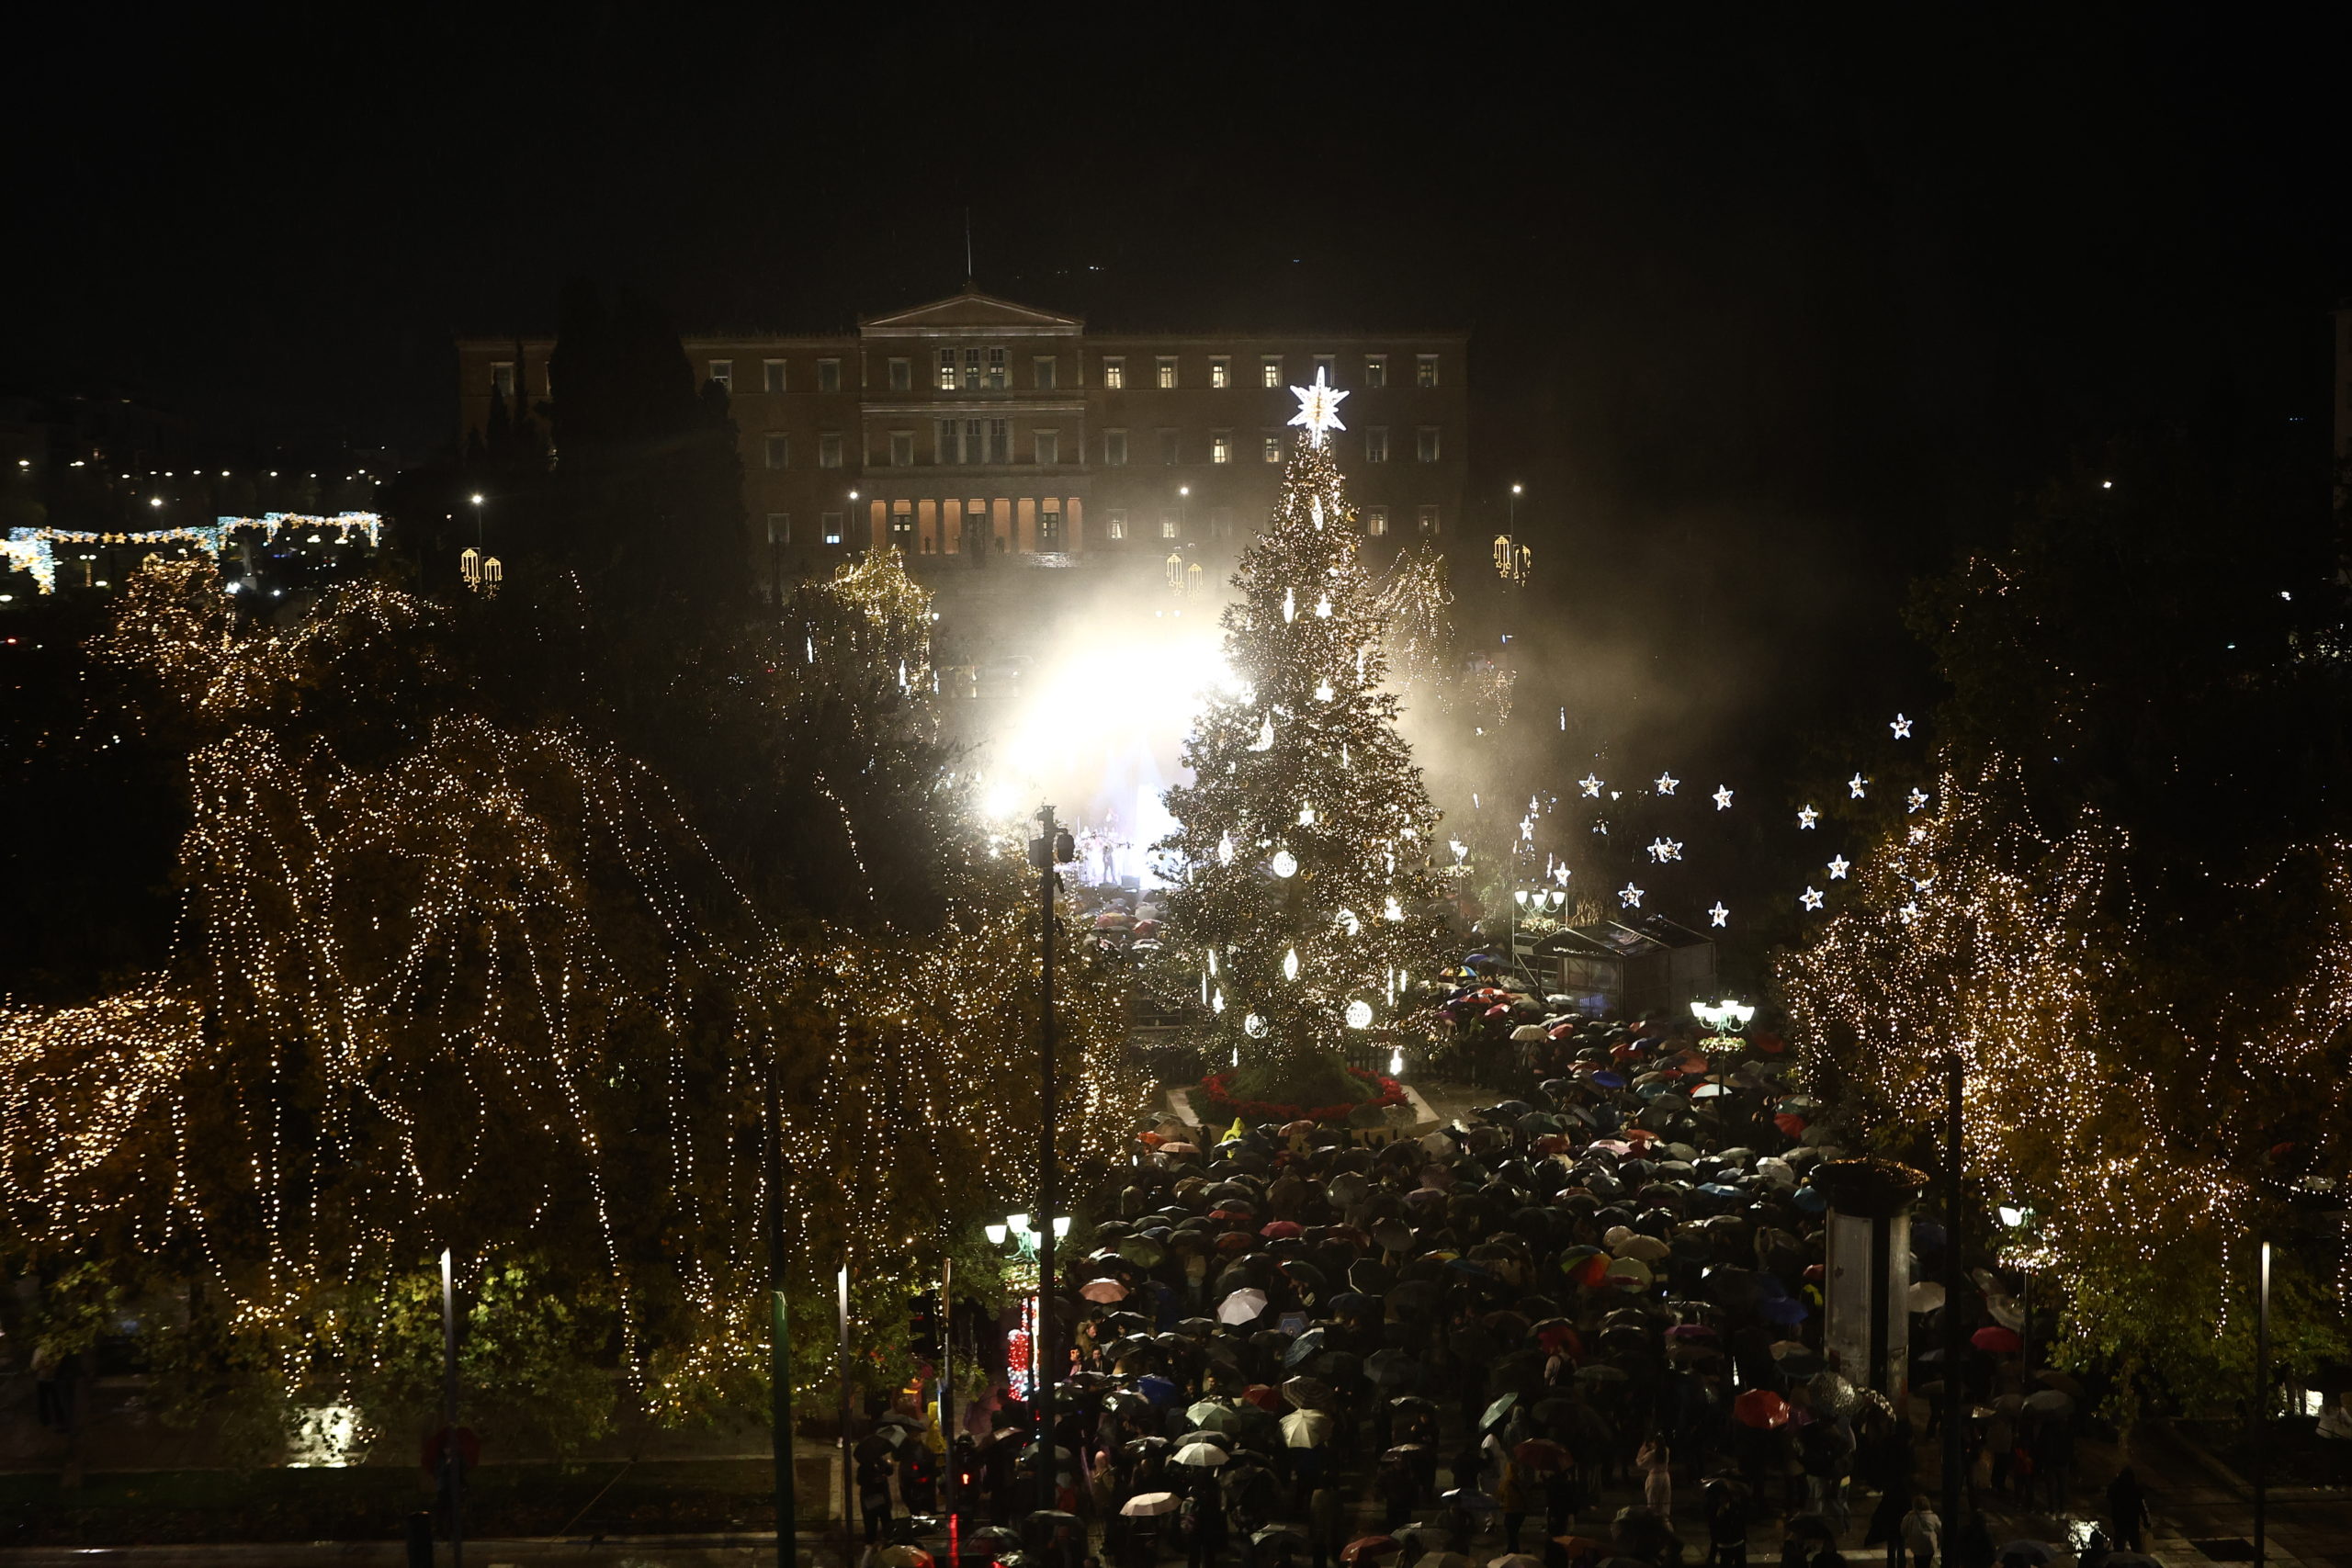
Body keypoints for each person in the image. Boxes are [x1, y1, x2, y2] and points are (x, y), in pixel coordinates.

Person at [2104, 1467, 2150, 1552]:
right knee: (2135, 1544)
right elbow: (2143, 1508)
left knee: (2119, 1544)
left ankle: (2119, 1558)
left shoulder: (2115, 1488)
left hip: (2119, 1520)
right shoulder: (2136, 1490)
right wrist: (2147, 1522)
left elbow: (2108, 1497)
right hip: (2132, 1521)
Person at [1898, 1496, 1940, 1568]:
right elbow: (1939, 1529)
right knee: (1926, 1562)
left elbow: (1903, 1530)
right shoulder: (1933, 1517)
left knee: (1918, 1561)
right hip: (1929, 1545)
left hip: (1916, 1545)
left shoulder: (1909, 1516)